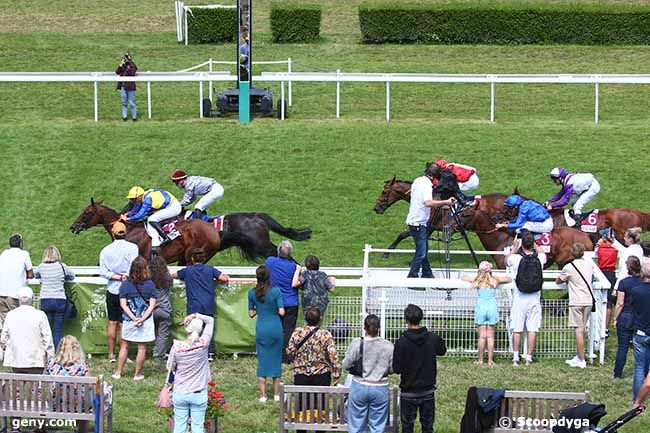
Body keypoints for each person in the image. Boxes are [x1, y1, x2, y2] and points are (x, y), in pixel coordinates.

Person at [392, 304, 447, 433]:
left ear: (406, 320)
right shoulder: (432, 338)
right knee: (428, 427)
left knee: (407, 427)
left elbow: (397, 368)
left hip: (408, 391)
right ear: (421, 318)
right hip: (428, 390)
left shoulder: (401, 342)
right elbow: (442, 350)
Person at [172, 248, 229, 359]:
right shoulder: (210, 269)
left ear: (192, 259)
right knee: (208, 329)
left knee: (193, 330)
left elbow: (174, 275)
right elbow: (224, 278)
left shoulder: (187, 271)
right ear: (204, 259)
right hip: (208, 304)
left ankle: (194, 351)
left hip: (194, 305)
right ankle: (210, 353)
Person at [342, 314, 394, 433]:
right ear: (379, 328)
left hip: (360, 385)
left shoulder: (357, 343)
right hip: (380, 387)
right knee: (378, 426)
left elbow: (345, 365)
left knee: (356, 424)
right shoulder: (388, 345)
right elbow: (392, 369)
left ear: (364, 327)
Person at [287, 307, 340, 414]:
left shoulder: (297, 333)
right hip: (321, 374)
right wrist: (336, 374)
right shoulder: (325, 335)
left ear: (306, 319)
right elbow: (333, 356)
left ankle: (301, 428)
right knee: (321, 407)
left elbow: (290, 351)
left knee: (301, 406)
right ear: (320, 319)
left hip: (301, 374)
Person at [99, 221, 139, 362]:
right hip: (128, 288)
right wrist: (125, 277)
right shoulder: (133, 248)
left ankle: (111, 354)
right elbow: (134, 266)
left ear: (112, 233)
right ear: (125, 233)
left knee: (112, 322)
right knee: (124, 323)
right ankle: (124, 353)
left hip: (113, 289)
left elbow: (103, 272)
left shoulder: (105, 250)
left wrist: (117, 277)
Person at [167, 313, 214, 433]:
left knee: (179, 426)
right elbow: (210, 320)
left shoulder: (176, 347)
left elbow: (170, 367)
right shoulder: (203, 344)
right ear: (200, 329)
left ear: (186, 328)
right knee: (198, 427)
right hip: (199, 392)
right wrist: (195, 315)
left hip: (180, 391)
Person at [406, 163, 454, 279]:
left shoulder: (417, 180)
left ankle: (427, 274)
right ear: (434, 176)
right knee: (421, 253)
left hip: (414, 221)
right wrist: (446, 202)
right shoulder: (427, 185)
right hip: (419, 223)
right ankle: (412, 277)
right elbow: (428, 202)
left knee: (423, 250)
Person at [113, 257, 157, 380]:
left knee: (124, 346)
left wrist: (133, 318)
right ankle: (137, 374)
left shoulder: (125, 284)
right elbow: (152, 305)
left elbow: (123, 304)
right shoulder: (150, 285)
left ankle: (118, 373)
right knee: (142, 347)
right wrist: (142, 319)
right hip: (145, 320)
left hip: (128, 320)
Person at [507, 232, 546, 366]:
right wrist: (534, 242)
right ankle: (529, 357)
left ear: (522, 244)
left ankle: (516, 357)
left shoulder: (516, 259)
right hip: (534, 298)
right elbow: (542, 253)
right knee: (532, 329)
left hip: (519, 297)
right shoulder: (540, 258)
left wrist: (515, 246)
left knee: (517, 329)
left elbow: (508, 259)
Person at [248, 265, 285, 403]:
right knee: (276, 360)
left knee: (262, 361)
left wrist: (259, 309)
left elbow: (251, 313)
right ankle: (276, 394)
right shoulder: (276, 291)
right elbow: (282, 312)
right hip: (275, 328)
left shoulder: (252, 293)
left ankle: (263, 395)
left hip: (262, 328)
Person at [462, 262, 511, 365]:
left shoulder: (478, 281)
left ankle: (480, 359)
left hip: (481, 308)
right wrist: (496, 277)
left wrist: (477, 276)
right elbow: (508, 279)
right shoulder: (494, 280)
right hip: (492, 307)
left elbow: (464, 277)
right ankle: (490, 360)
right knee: (490, 336)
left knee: (482, 336)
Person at [555, 242, 594, 369]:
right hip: (588, 300)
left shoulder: (569, 267)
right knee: (582, 330)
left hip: (576, 301)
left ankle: (581, 359)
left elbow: (558, 280)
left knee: (579, 331)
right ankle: (579, 356)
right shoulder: (589, 264)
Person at [0, 286, 54, 374]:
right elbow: (47, 339)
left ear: (18, 300)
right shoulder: (40, 314)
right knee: (34, 386)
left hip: (15, 359)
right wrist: (50, 357)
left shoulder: (10, 315)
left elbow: (3, 338)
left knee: (17, 386)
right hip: (36, 360)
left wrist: (8, 349)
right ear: (32, 299)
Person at [265, 240, 301, 362]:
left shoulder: (270, 262)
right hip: (291, 302)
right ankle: (286, 356)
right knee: (288, 330)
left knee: (275, 328)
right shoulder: (294, 267)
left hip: (275, 301)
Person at [46, 335, 90, 433]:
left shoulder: (52, 364)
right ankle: (82, 430)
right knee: (84, 399)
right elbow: (90, 385)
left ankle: (40, 428)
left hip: (56, 405)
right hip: (77, 407)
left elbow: (45, 383)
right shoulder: (82, 365)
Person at [34, 245, 76, 349]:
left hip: (45, 299)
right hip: (59, 299)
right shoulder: (62, 266)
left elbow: (35, 275)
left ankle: (47, 352)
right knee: (58, 330)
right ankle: (57, 353)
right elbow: (72, 276)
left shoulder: (41, 267)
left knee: (46, 329)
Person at [121, 186, 182, 251]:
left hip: (174, 207)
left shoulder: (147, 199)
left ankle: (164, 238)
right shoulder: (142, 196)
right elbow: (136, 208)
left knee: (151, 219)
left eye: (133, 199)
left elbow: (141, 215)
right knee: (150, 217)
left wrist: (128, 219)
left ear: (139, 196)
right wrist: (128, 213)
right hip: (169, 205)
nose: (132, 201)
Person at [613, 256, 642, 379]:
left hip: (625, 316)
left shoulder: (623, 282)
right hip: (639, 317)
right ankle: (642, 372)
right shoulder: (643, 282)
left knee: (622, 348)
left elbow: (620, 303)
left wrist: (615, 318)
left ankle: (618, 374)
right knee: (640, 348)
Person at [0, 233, 33, 328]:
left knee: (5, 324)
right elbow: (30, 274)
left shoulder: (4, 253)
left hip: (1, 294)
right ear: (21, 244)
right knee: (17, 324)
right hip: (14, 295)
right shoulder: (24, 254)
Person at [629, 259, 650, 400]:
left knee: (639, 368)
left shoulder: (636, 291)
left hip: (641, 332)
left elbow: (633, 307)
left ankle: (637, 398)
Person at [297, 255, 336, 319]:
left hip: (307, 304)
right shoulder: (322, 275)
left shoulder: (304, 275)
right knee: (318, 322)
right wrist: (332, 279)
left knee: (308, 322)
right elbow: (332, 289)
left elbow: (298, 285)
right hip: (321, 304)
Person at [150, 256, 173, 362]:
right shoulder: (168, 277)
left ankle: (152, 350)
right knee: (162, 334)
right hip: (164, 309)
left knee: (153, 332)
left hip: (151, 310)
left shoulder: (148, 278)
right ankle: (159, 355)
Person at [596, 237, 619, 335]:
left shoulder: (599, 248)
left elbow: (595, 249)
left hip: (601, 273)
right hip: (611, 274)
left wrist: (599, 243)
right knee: (609, 303)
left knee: (598, 300)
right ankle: (605, 328)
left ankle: (597, 325)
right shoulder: (615, 249)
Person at [115, 52, 137, 121]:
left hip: (131, 87)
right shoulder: (122, 66)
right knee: (124, 102)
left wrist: (129, 65)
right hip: (123, 87)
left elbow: (132, 73)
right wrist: (121, 64)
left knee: (132, 103)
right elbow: (117, 72)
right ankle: (124, 117)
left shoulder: (133, 65)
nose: (126, 60)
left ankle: (134, 117)